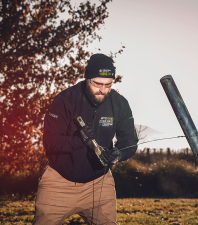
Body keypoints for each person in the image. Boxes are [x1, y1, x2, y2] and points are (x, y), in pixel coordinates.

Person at [33, 53, 138, 225]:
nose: (103, 90)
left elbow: (130, 142)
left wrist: (118, 154)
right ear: (87, 78)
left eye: (108, 85)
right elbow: (50, 143)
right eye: (97, 84)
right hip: (59, 182)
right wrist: (78, 140)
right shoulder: (65, 100)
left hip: (99, 183)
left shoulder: (119, 104)